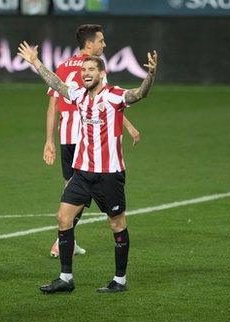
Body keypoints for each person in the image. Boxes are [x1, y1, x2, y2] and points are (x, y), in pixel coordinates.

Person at [18, 41, 158, 293]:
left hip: (109, 175)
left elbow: (139, 94)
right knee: (63, 218)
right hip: (82, 172)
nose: (85, 74)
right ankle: (66, 278)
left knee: (116, 224)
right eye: (83, 71)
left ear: (102, 73)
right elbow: (56, 84)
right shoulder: (79, 95)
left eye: (91, 70)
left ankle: (120, 281)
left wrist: (150, 75)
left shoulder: (114, 95)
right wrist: (36, 62)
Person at [44, 24, 141, 258]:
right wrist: (127, 126)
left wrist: (49, 140)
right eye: (100, 41)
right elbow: (107, 105)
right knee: (82, 190)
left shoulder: (64, 66)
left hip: (66, 135)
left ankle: (67, 238)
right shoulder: (95, 69)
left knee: (72, 188)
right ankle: (62, 241)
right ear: (89, 44)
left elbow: (53, 105)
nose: (103, 45)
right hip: (90, 137)